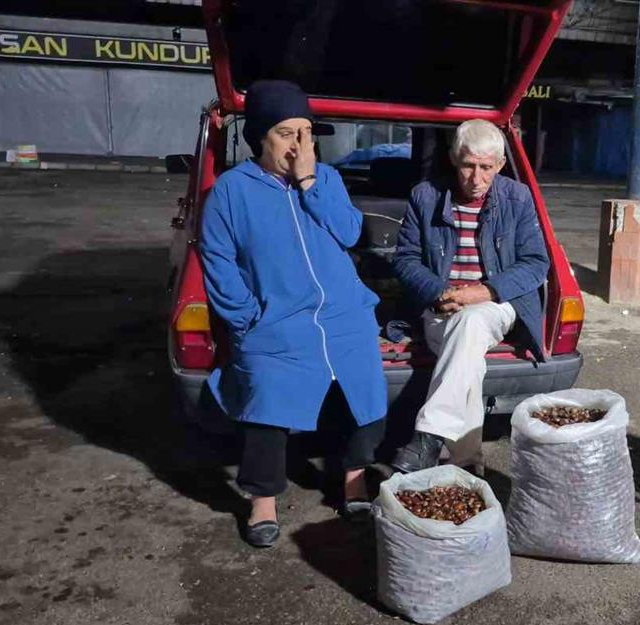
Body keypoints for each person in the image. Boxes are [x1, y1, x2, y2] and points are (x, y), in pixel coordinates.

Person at [199, 80, 388, 548]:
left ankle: (353, 479)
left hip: (343, 314)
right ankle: (262, 500)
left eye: (306, 132)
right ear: (259, 137)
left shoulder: (326, 178)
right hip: (275, 320)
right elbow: (217, 260)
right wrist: (246, 317)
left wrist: (308, 182)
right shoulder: (231, 191)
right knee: (265, 397)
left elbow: (348, 232)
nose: (300, 144)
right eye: (287, 133)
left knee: (364, 393)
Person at [390, 119, 550, 474]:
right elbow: (404, 260)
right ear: (453, 159)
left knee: (473, 319)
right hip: (440, 307)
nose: (476, 178)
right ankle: (465, 463)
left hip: (496, 305)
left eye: (486, 168)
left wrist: (483, 291)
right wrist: (438, 291)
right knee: (468, 352)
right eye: (468, 165)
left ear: (501, 165)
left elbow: (537, 263)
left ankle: (429, 435)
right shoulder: (425, 195)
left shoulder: (517, 197)